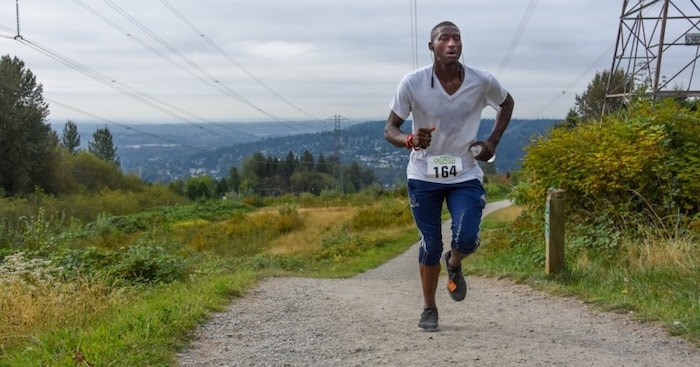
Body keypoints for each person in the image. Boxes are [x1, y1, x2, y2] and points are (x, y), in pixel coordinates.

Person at [384, 20, 514, 332]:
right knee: (430, 243)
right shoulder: (412, 83)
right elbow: (390, 130)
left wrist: (492, 141)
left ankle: (453, 263)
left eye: (456, 38)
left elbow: (506, 103)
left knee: (467, 237)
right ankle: (429, 308)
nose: (452, 44)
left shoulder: (481, 81)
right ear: (432, 47)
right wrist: (411, 140)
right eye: (444, 39)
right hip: (423, 174)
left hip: (465, 172)